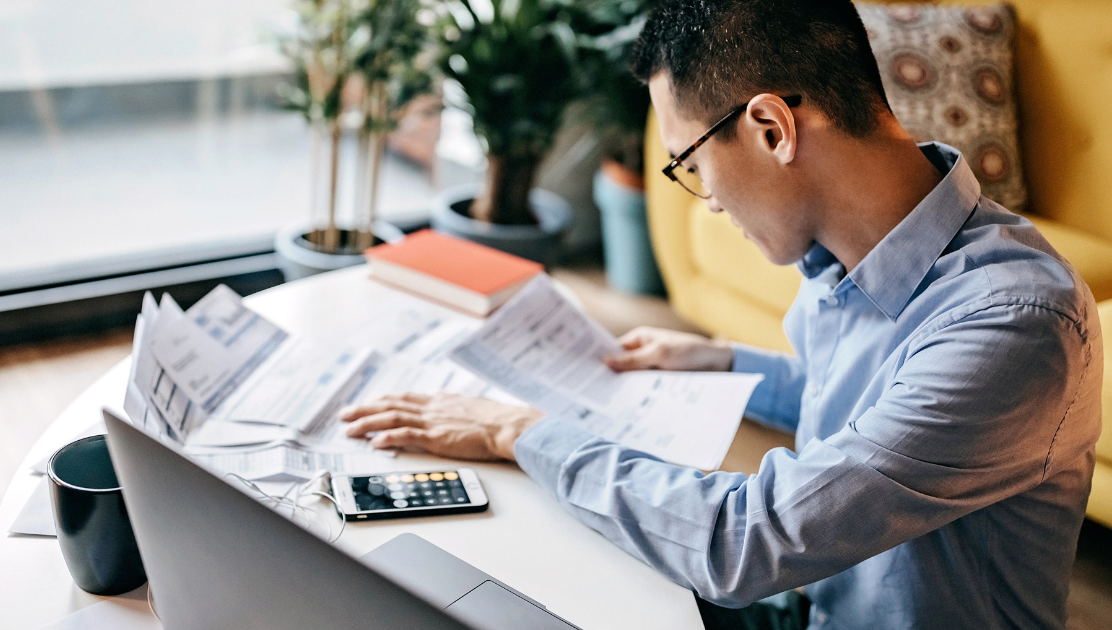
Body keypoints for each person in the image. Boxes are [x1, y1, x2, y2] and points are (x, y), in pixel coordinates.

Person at [340, 0, 1103, 627]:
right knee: (543, 570)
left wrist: (518, 431)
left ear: (773, 128)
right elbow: (868, 402)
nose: (704, 196)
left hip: (797, 582)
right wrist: (723, 361)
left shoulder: (1013, 324)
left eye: (691, 163)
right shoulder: (856, 246)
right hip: (815, 604)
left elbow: (749, 541)